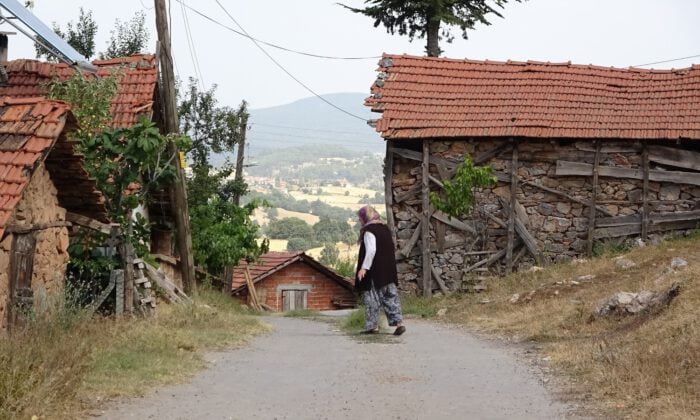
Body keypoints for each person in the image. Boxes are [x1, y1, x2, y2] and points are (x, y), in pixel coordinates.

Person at [355, 205, 406, 336]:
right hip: (388, 270)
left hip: (375, 271)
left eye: (360, 218)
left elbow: (371, 250)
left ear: (365, 218)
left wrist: (364, 268)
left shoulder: (369, 231)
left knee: (372, 299)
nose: (360, 221)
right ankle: (399, 324)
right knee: (390, 297)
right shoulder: (385, 229)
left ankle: (373, 326)